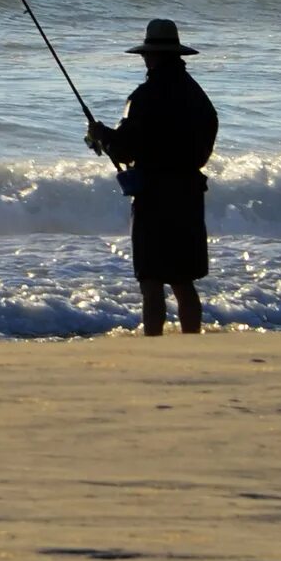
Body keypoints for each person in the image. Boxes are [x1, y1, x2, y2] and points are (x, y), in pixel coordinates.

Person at [85, 18, 221, 336]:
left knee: (152, 278)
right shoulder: (198, 97)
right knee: (182, 279)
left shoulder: (144, 97)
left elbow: (124, 149)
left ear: (153, 56)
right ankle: (191, 341)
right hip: (189, 192)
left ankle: (154, 343)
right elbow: (206, 138)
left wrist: (100, 134)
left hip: (155, 197)